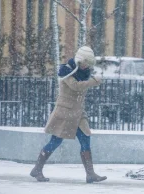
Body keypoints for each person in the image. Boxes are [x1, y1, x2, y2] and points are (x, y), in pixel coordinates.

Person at [30, 46, 107, 183]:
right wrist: (94, 81)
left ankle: (90, 174)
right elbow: (76, 86)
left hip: (78, 113)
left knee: (86, 138)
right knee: (55, 141)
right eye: (85, 62)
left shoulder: (84, 73)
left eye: (88, 63)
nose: (86, 66)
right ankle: (37, 169)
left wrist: (91, 80)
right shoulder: (66, 71)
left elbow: (81, 86)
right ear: (79, 60)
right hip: (65, 113)